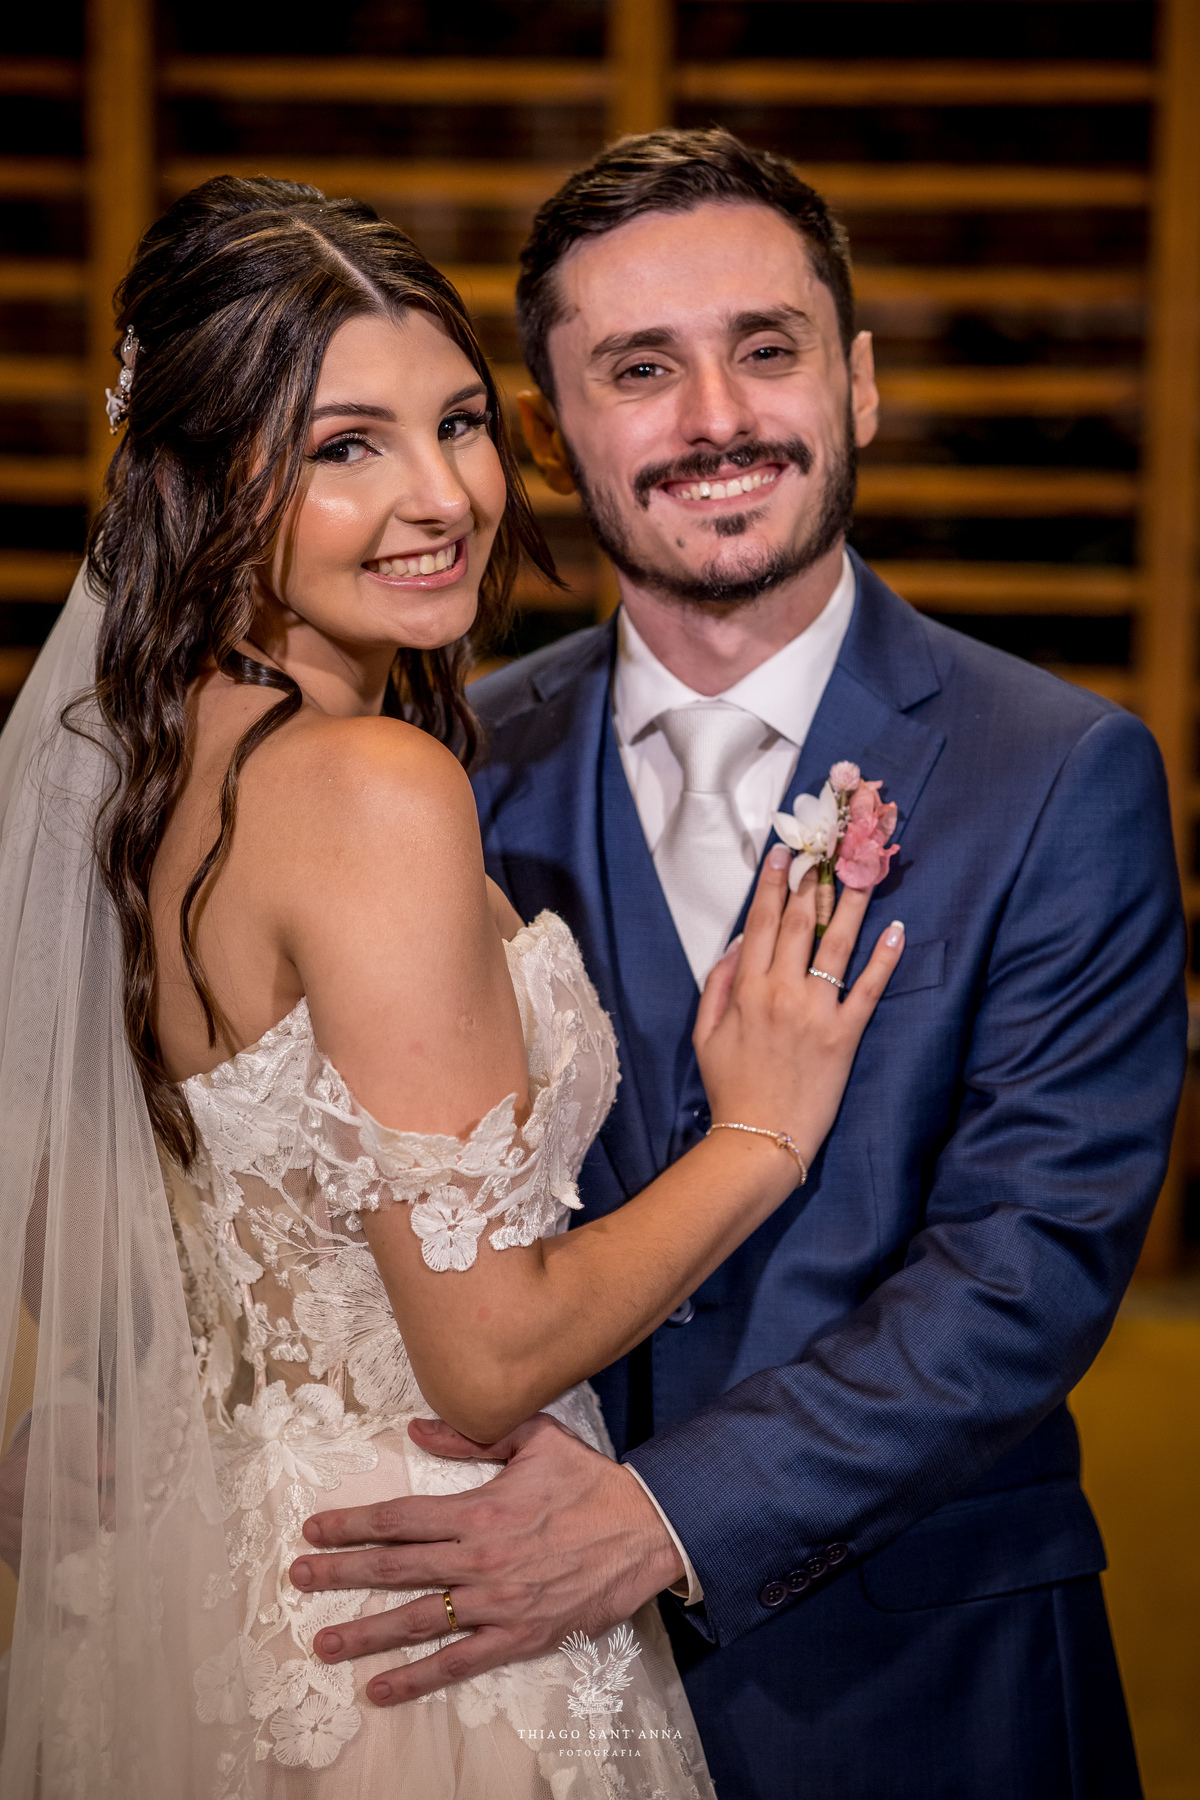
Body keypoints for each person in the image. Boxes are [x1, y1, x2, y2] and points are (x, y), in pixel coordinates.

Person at [291, 130, 1189, 1799]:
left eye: (766, 349)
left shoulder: (1062, 772)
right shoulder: (442, 774)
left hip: (925, 1679)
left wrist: (664, 1515)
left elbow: (1035, 1263)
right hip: (507, 1694)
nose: (716, 419)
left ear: (859, 385)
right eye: (643, 370)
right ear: (550, 438)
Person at [0, 174, 905, 1798]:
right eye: (346, 446)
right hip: (433, 1612)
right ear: (201, 479)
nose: (443, 497)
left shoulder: (138, 772)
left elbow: (105, 1226)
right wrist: (760, 1135)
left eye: (460, 424)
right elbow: (485, 1361)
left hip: (230, 1582)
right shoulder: (374, 787)